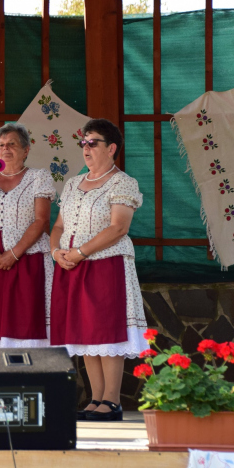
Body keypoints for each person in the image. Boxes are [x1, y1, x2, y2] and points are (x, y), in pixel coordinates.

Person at [49, 118, 148, 421]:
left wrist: (79, 252)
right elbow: (59, 226)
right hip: (71, 264)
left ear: (112, 148)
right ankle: (96, 398)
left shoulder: (123, 182)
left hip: (106, 264)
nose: (86, 148)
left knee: (106, 331)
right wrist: (57, 252)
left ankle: (112, 401)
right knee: (85, 333)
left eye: (93, 142)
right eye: (83, 143)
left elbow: (118, 228)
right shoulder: (71, 184)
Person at [0, 123, 55, 348]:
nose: (5, 149)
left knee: (26, 325)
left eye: (12, 144)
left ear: (26, 150)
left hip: (28, 261)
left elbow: (41, 220)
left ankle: (28, 379)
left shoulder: (39, 178)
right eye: (1, 145)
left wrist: (13, 254)